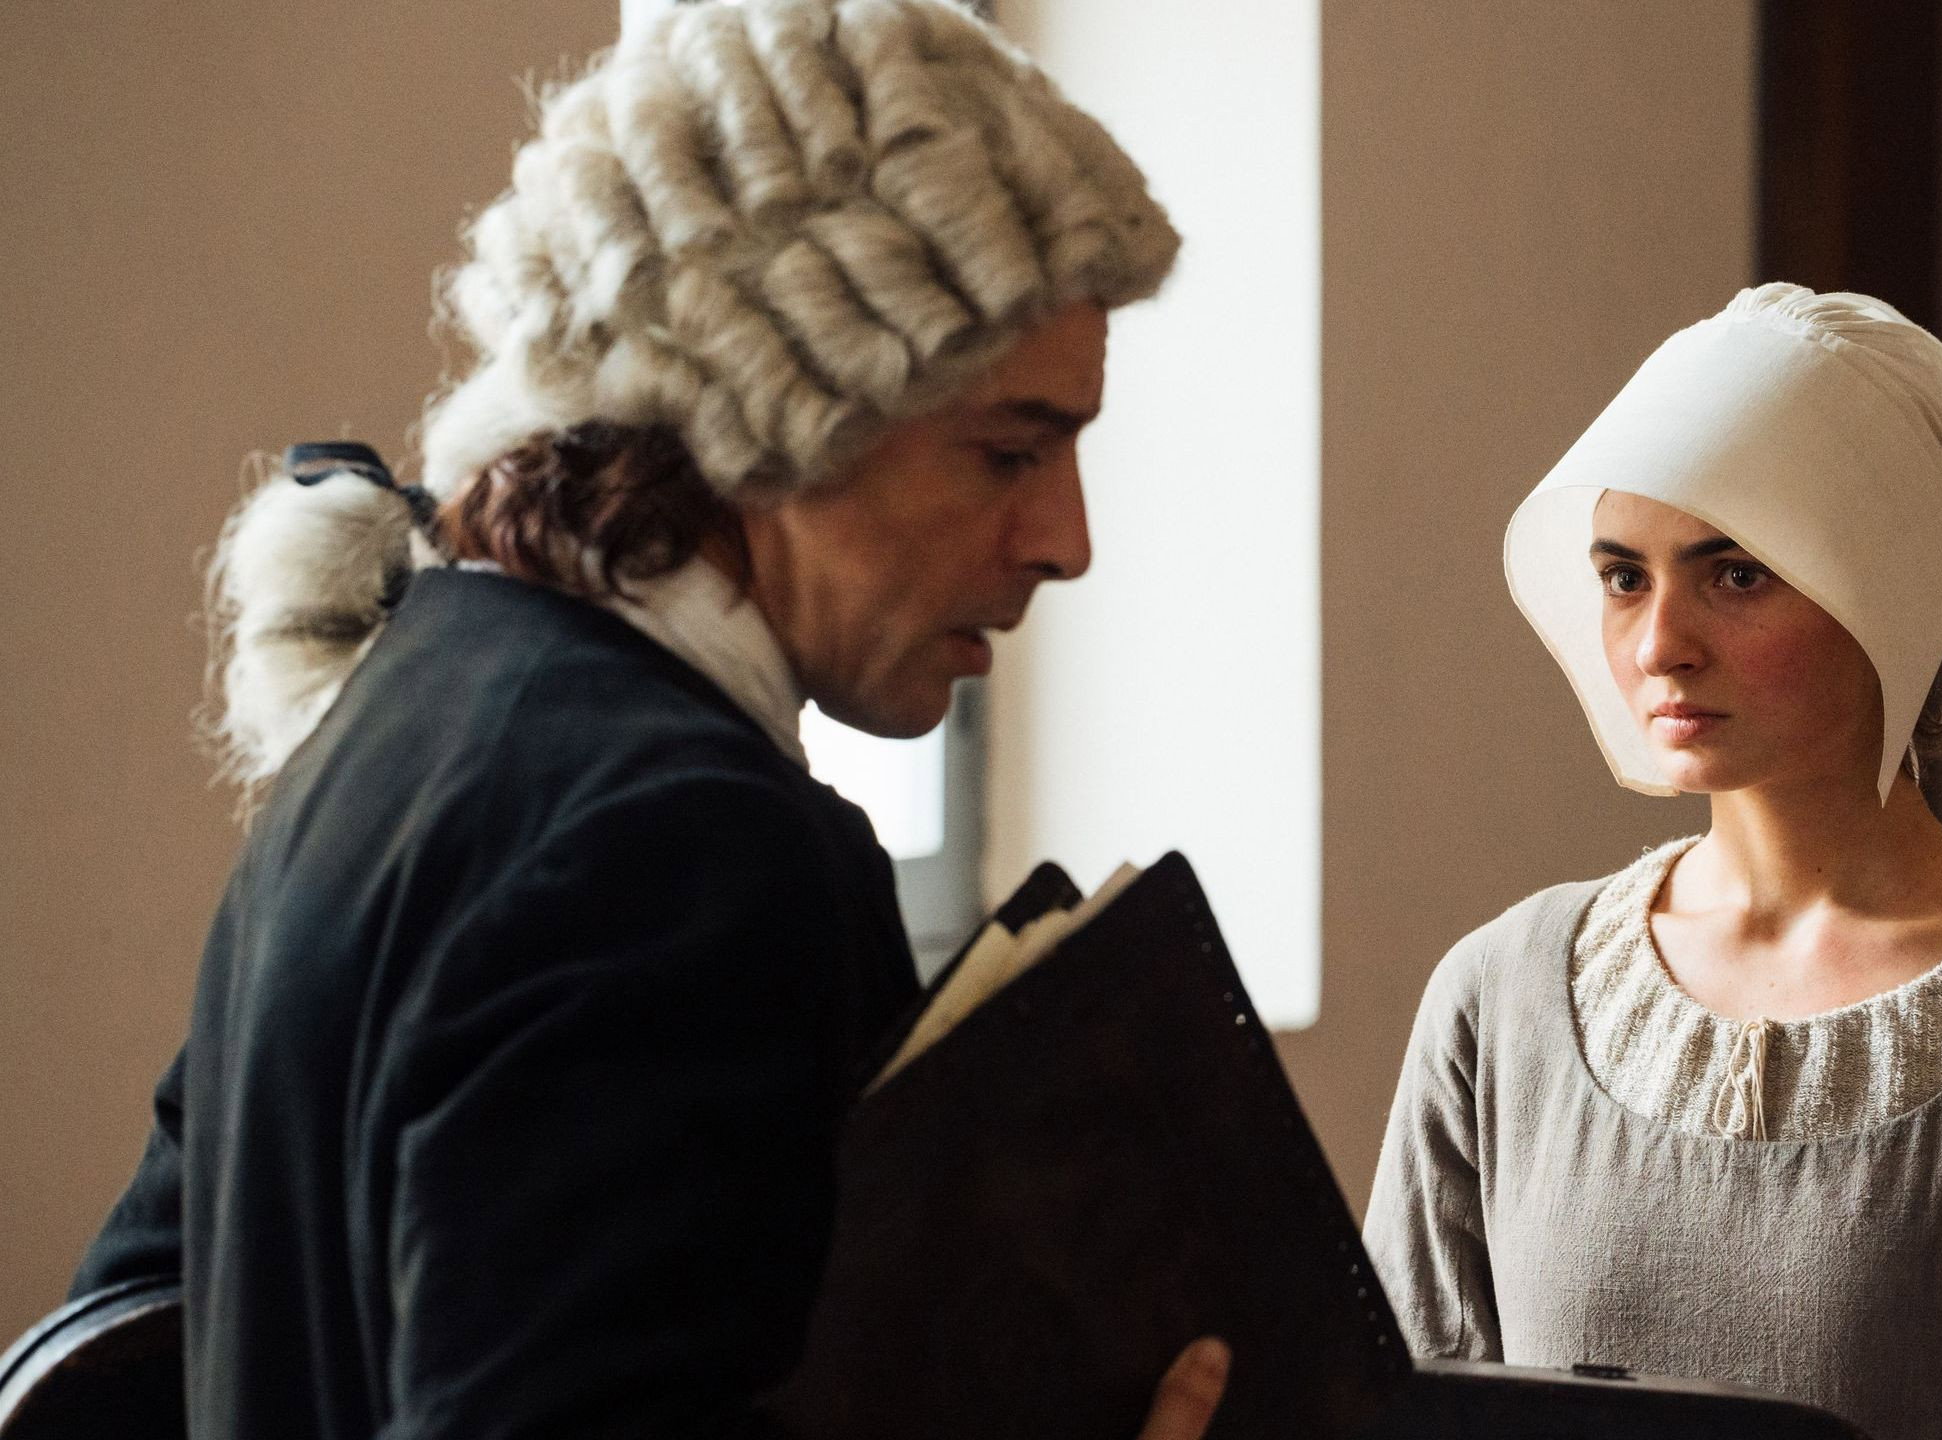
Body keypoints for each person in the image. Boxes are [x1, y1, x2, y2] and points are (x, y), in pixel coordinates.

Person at [66, 2, 1227, 1436]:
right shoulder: (686, 852)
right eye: (1006, 453)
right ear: (778, 408)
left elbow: (96, 1377)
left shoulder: (400, 713)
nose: (1066, 541)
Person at [1363, 284, 1942, 1439]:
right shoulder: (1497, 1001)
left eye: (1735, 573)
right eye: (1624, 577)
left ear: (1883, 588)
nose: (1659, 644)